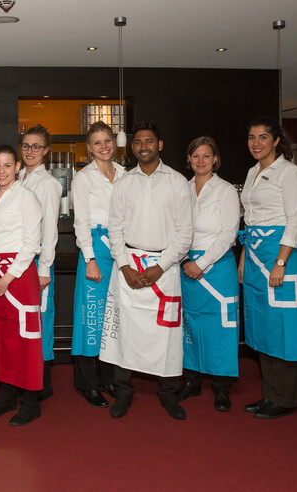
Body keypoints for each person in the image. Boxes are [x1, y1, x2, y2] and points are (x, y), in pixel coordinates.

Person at [99, 121, 193, 420]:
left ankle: (168, 392)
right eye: (138, 142)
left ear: (160, 145)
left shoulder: (177, 181)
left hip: (165, 269)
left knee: (167, 334)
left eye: (149, 141)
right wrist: (124, 265)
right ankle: (123, 392)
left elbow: (185, 232)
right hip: (129, 265)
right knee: (126, 332)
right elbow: (114, 228)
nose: (143, 147)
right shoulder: (125, 183)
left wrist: (161, 266)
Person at [238, 116, 297, 419]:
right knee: (262, 325)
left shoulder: (289, 172)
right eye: (252, 137)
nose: (256, 143)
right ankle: (270, 395)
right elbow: (249, 220)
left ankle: (284, 399)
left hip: (282, 256)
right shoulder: (254, 171)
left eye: (263, 137)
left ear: (276, 141)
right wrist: (243, 258)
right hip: (255, 255)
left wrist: (280, 263)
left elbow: (295, 220)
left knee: (284, 326)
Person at [0, 145, 43, 426]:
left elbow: (31, 244)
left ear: (17, 167)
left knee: (24, 342)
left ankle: (30, 402)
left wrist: (8, 277)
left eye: (7, 165)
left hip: (18, 276)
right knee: (1, 337)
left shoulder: (27, 198)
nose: (1, 171)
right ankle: (6, 394)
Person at [176, 137, 240, 411]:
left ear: (215, 159)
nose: (200, 161)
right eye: (195, 156)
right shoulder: (182, 189)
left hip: (216, 267)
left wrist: (201, 263)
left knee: (220, 328)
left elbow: (228, 233)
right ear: (189, 160)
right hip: (185, 264)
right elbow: (176, 227)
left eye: (206, 156)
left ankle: (221, 387)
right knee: (189, 324)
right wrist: (185, 260)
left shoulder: (225, 190)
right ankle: (191, 380)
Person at [70, 121, 126, 408]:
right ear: (89, 148)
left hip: (122, 251)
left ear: (113, 142)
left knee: (113, 318)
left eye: (107, 140)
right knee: (90, 316)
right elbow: (81, 222)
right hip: (95, 251)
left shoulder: (127, 175)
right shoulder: (84, 178)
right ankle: (87, 383)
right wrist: (89, 259)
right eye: (97, 142)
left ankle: (108, 379)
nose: (103, 146)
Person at [18, 125, 62, 401]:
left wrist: (44, 269)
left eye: (36, 146)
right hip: (20, 261)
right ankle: (26, 377)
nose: (30, 151)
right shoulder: (19, 176)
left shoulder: (48, 184)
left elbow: (50, 230)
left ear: (46, 150)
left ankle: (43, 383)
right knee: (25, 320)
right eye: (25, 146)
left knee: (41, 321)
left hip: (38, 262)